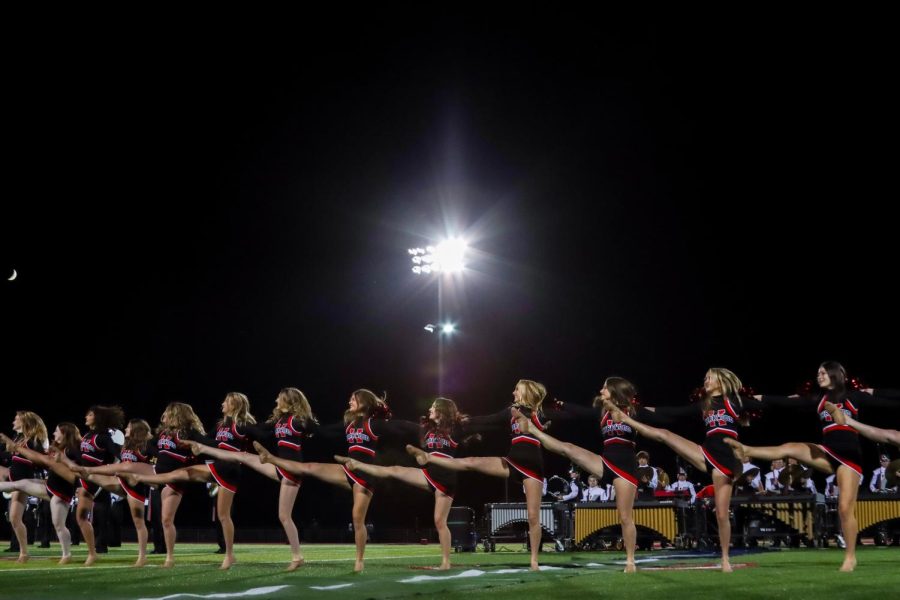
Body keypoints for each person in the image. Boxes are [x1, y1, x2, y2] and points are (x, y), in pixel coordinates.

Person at [726, 362, 896, 572]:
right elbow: (782, 402)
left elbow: (888, 401)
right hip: (826, 452)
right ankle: (748, 450)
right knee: (790, 448)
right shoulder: (819, 399)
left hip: (849, 457)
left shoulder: (854, 396)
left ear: (836, 374)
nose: (819, 376)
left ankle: (850, 557)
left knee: (844, 508)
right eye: (818, 373)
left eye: (823, 372)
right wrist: (751, 399)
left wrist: (874, 391)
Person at [608, 368, 756, 573]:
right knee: (665, 434)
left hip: (725, 459)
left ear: (721, 381)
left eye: (709, 377)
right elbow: (674, 412)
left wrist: (800, 399)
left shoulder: (734, 401)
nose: (705, 380)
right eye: (704, 377)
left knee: (722, 514)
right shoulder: (704, 404)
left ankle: (724, 558)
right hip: (705, 452)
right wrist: (638, 411)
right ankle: (629, 420)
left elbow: (768, 402)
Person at [251, 389, 405, 573]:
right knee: (310, 467)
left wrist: (422, 431)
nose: (349, 402)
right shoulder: (348, 424)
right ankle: (271, 459)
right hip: (347, 470)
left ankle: (359, 560)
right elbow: (324, 431)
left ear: (363, 402)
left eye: (353, 399)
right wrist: (307, 425)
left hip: (364, 475)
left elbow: (399, 427)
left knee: (357, 519)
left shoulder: (374, 424)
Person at [406, 379, 551, 572]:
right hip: (511, 461)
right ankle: (429, 458)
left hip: (533, 466)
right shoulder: (510, 412)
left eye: (517, 389)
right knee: (471, 462)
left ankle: (533, 561)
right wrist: (466, 422)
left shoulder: (539, 413)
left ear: (526, 391)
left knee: (533, 516)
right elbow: (488, 420)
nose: (513, 392)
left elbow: (559, 418)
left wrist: (547, 417)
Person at [510, 377, 640, 572]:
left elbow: (665, 416)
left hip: (625, 468)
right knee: (568, 448)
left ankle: (630, 561)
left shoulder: (634, 412)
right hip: (604, 463)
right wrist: (562, 405)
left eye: (605, 388)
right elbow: (581, 412)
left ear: (615, 391)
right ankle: (537, 433)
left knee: (624, 517)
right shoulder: (603, 412)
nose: (601, 390)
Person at [182, 387, 318, 570]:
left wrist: (246, 426)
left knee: (284, 515)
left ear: (288, 400)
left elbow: (265, 432)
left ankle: (297, 557)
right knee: (243, 456)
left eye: (279, 398)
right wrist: (195, 435)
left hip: (291, 469)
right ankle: (295, 557)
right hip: (278, 466)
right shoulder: (278, 421)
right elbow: (262, 431)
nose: (276, 400)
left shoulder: (294, 420)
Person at [334, 397, 465, 570]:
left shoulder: (455, 430)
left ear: (442, 410)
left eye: (433, 407)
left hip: (446, 478)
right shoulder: (426, 429)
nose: (430, 410)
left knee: (440, 521)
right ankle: (358, 465)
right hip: (429, 474)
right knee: (393, 470)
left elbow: (483, 424)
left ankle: (446, 563)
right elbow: (404, 426)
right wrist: (385, 419)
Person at [130, 394, 253, 570]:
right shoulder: (164, 433)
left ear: (176, 414)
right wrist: (158, 453)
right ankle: (164, 554)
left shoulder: (188, 432)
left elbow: (208, 443)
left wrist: (197, 453)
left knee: (167, 518)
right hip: (160, 475)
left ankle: (170, 558)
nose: (164, 415)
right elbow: (150, 446)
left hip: (177, 478)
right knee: (163, 518)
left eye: (168, 412)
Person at [68, 418, 156, 566]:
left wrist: (145, 477)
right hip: (120, 482)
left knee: (138, 522)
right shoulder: (126, 445)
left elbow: (155, 466)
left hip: (136, 487)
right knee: (91, 476)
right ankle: (80, 476)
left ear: (136, 430)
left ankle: (142, 556)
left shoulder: (147, 447)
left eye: (128, 427)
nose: (126, 429)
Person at [0, 420, 73, 564]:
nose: (53, 433)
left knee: (59, 525)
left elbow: (43, 461)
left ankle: (67, 555)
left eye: (57, 431)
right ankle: (24, 553)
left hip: (59, 492)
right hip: (48, 486)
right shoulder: (56, 448)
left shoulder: (71, 450)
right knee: (19, 484)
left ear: (64, 434)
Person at [0, 412, 49, 563]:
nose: (13, 420)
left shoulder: (33, 440)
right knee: (15, 519)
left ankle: (24, 553)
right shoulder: (18, 438)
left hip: (25, 483)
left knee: (16, 517)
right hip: (15, 482)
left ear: (25, 421)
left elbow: (40, 459)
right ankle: (24, 552)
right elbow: (9, 457)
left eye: (16, 418)